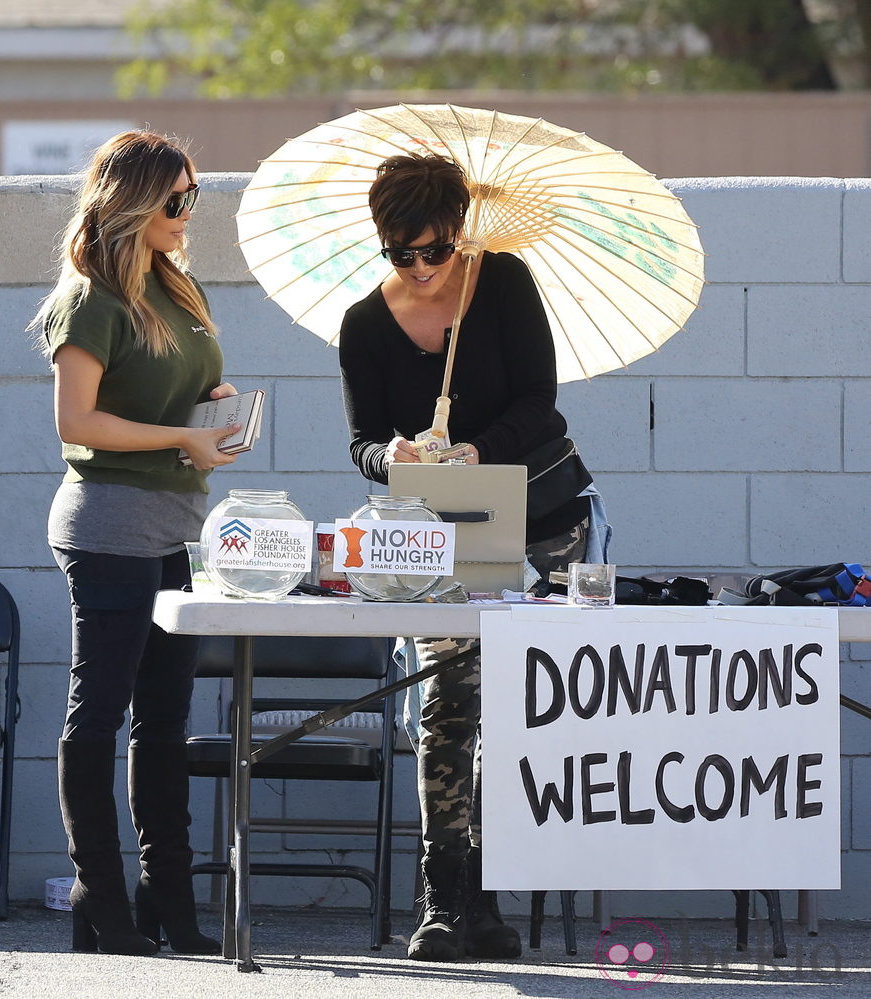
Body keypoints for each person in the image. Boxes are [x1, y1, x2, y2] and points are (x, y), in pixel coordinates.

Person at [339, 153, 609, 962]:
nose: (421, 269)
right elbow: (359, 441)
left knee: (524, 704)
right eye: (400, 254)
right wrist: (393, 457)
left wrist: (477, 451)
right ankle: (445, 897)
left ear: (460, 231)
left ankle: (494, 893)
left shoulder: (505, 282)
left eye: (435, 250)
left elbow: (540, 401)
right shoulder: (362, 324)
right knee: (449, 699)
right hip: (439, 533)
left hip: (545, 516)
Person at [31, 130, 243, 956]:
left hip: (177, 528)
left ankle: (168, 899)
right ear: (135, 203)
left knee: (165, 720)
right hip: (110, 524)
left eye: (195, 196)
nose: (190, 212)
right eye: (178, 199)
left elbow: (164, 395)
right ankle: (102, 896)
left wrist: (212, 400)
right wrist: (175, 439)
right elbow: (75, 422)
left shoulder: (174, 286)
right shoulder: (90, 298)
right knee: (101, 714)